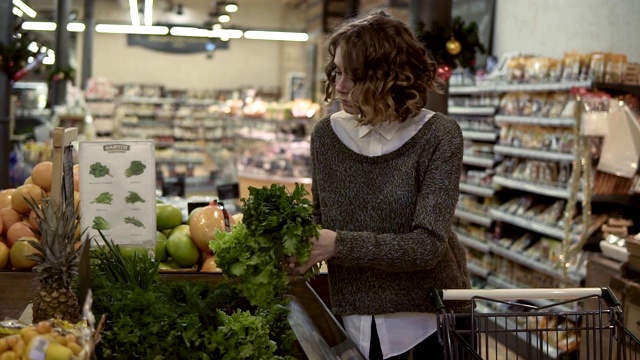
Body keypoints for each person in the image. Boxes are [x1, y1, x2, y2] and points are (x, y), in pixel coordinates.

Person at [293, 10, 471, 360]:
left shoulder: (439, 136)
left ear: (392, 78)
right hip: (352, 319)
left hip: (428, 322)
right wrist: (298, 246)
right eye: (338, 72)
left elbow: (427, 246)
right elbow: (321, 217)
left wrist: (338, 245)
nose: (340, 86)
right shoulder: (326, 136)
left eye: (355, 77)